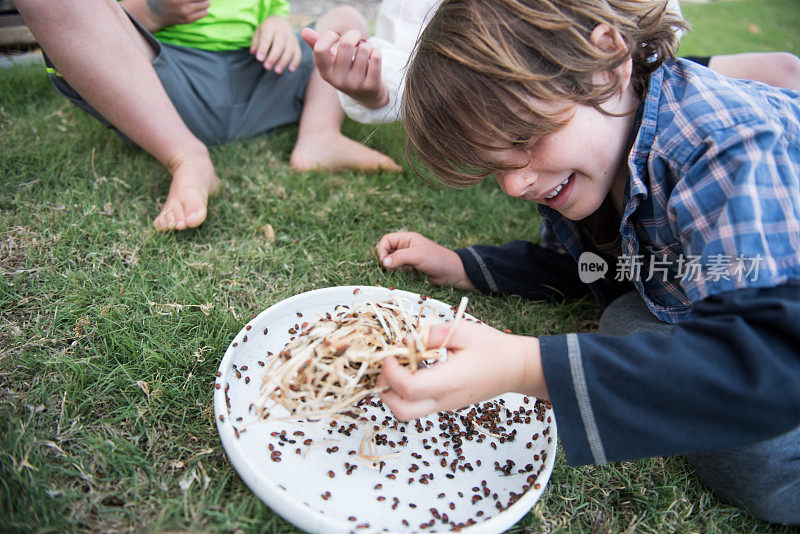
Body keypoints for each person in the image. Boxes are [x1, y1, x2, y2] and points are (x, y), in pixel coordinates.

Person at [374, 0, 800, 525]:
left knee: (756, 461)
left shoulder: (721, 143)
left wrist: (525, 366)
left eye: (524, 140)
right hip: (729, 312)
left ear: (606, 61)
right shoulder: (593, 155)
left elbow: (774, 358)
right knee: (623, 318)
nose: (514, 185)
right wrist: (461, 266)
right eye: (494, 167)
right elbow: (583, 266)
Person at [15, 0, 401, 232]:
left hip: (263, 73)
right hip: (166, 87)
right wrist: (153, 10)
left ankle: (319, 135)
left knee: (347, 19)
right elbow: (102, 24)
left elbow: (274, 11)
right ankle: (187, 157)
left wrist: (278, 25)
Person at [300, 0, 800, 125]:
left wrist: (630, 37)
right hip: (544, 97)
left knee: (783, 70)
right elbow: (417, 68)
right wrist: (373, 92)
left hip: (632, 67)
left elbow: (659, 16)